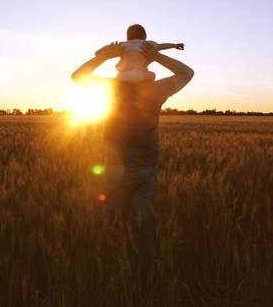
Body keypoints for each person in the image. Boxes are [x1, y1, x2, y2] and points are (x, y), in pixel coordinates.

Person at [71, 40, 194, 287]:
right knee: (143, 232)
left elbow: (78, 76)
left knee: (114, 226)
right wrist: (156, 55)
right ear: (146, 64)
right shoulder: (158, 90)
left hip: (116, 169)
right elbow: (187, 73)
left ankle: (112, 279)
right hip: (147, 170)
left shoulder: (110, 89)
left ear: (120, 64)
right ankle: (143, 284)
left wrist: (106, 56)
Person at [94, 24, 184, 83]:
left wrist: (99, 51)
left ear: (127, 38)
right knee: (152, 75)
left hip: (122, 75)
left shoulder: (123, 44)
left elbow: (108, 47)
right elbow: (162, 46)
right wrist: (174, 45)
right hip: (139, 74)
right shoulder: (148, 44)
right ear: (144, 37)